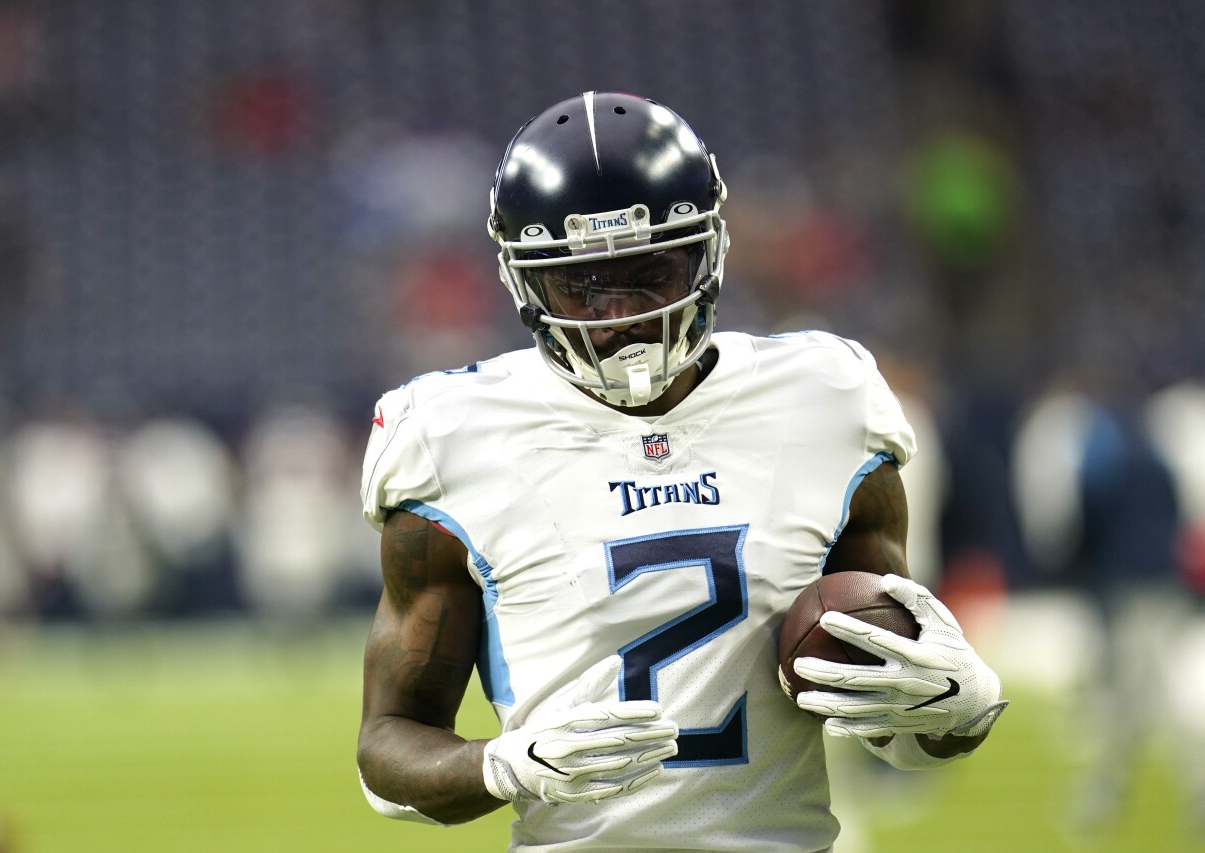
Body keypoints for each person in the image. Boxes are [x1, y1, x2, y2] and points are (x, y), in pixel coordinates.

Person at [356, 91, 1008, 852]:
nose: (623, 312)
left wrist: (957, 704)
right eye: (584, 284)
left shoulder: (826, 399)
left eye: (653, 271)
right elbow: (388, 746)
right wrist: (504, 766)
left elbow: (895, 724)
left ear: (709, 253)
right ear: (524, 283)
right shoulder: (448, 434)